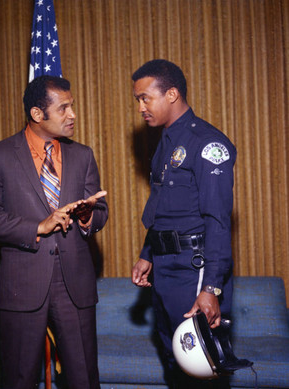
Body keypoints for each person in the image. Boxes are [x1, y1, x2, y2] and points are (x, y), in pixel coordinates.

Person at [0, 75, 108, 389]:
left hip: (75, 283)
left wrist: (88, 216)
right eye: (63, 108)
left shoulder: (82, 155)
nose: (72, 114)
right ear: (37, 114)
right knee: (18, 378)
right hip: (22, 284)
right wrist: (37, 227)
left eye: (71, 106)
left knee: (84, 378)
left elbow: (100, 211)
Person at [131, 59, 236, 388]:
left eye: (145, 98)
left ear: (172, 94)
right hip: (165, 268)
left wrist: (210, 289)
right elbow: (164, 207)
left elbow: (218, 221)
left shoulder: (208, 144)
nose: (140, 107)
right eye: (138, 99)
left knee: (199, 365)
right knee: (173, 359)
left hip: (195, 270)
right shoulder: (166, 143)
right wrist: (148, 253)